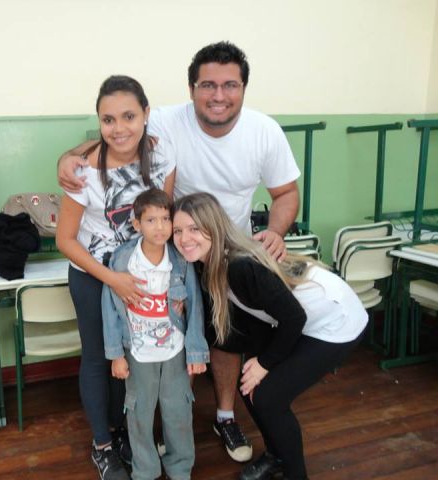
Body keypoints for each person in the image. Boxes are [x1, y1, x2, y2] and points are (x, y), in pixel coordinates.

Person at [58, 41, 300, 463]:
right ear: (192, 89)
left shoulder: (249, 134)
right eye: (208, 85)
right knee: (122, 351)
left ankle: (195, 422)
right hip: (135, 264)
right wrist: (69, 155)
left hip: (194, 261)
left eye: (230, 85)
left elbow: (282, 194)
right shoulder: (139, 141)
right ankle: (121, 439)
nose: (218, 95)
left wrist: (274, 232)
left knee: (200, 341)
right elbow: (113, 142)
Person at [172, 192, 368, 480]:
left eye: (194, 229)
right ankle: (277, 456)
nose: (184, 238)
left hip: (336, 319)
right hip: (297, 320)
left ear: (214, 227)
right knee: (249, 387)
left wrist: (265, 363)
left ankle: (295, 474)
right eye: (178, 230)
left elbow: (294, 317)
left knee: (269, 398)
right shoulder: (209, 264)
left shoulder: (239, 265)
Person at [55, 75, 175, 480]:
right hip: (92, 277)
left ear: (146, 114)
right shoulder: (83, 171)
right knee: (98, 356)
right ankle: (102, 445)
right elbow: (65, 240)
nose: (119, 128)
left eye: (128, 116)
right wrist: (111, 278)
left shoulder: (162, 156)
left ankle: (124, 431)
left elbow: (164, 217)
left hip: (139, 277)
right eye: (108, 120)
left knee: (131, 354)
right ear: (99, 123)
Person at [102, 188, 209, 480]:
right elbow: (110, 308)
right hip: (137, 352)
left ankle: (180, 468)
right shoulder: (123, 259)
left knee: (178, 411)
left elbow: (195, 305)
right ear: (137, 224)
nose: (160, 227)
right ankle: (145, 471)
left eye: (165, 219)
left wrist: (196, 351)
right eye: (151, 220)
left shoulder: (179, 260)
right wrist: (116, 355)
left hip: (175, 350)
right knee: (139, 414)